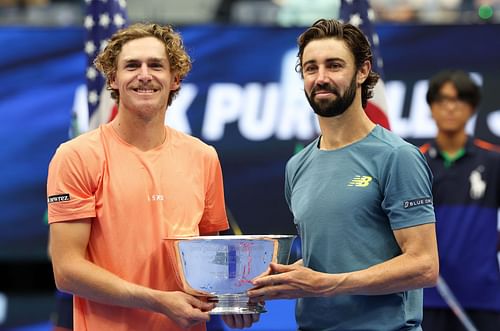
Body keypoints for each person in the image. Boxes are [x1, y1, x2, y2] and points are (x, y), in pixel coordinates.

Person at [46, 23, 257, 330]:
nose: (144, 75)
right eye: (132, 65)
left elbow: (210, 262)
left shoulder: (203, 157)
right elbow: (67, 271)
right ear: (112, 79)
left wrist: (230, 301)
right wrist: (158, 300)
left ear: (175, 79)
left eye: (156, 65)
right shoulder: (76, 156)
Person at [247, 18, 439, 330]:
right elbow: (327, 261)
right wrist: (276, 283)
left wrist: (325, 284)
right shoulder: (297, 165)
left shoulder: (398, 156)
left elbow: (424, 266)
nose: (321, 78)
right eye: (311, 68)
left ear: (362, 71)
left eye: (334, 65)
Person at [420, 69, 500, 331]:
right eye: (442, 100)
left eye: (460, 100)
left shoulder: (493, 162)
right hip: (427, 297)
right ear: (431, 107)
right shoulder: (413, 162)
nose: (451, 108)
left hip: (483, 298)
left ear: (473, 108)